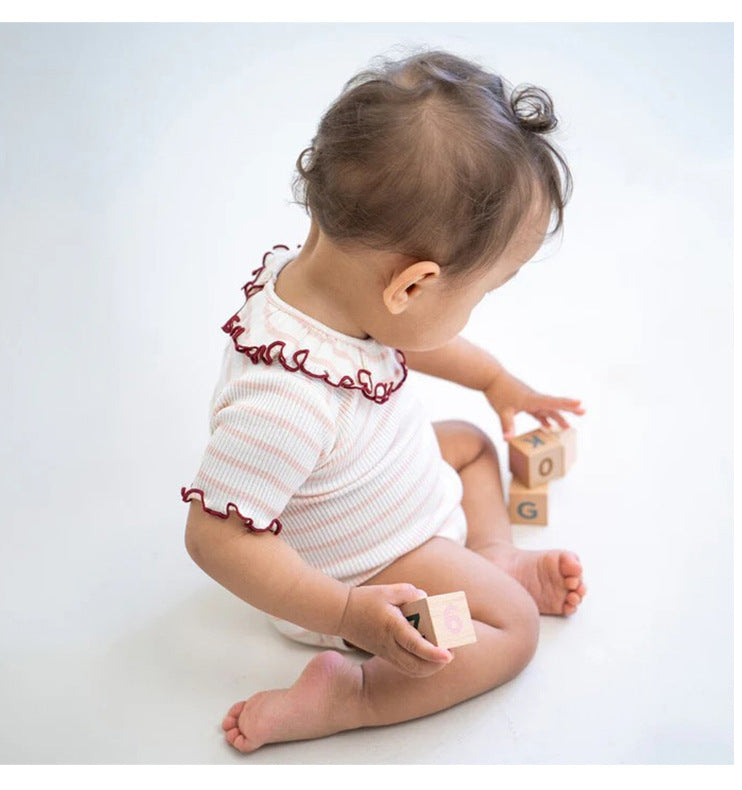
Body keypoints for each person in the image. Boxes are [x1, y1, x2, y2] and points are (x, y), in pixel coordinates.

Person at [181, 48, 587, 753]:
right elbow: (214, 536)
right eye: (479, 295)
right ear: (412, 286)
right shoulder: (283, 404)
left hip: (379, 483)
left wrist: (496, 383)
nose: (473, 313)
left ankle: (493, 555)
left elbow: (402, 340)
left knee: (470, 444)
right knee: (512, 627)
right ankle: (358, 695)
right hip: (366, 569)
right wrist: (347, 610)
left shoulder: (328, 288)